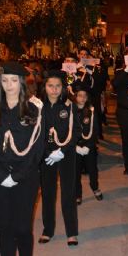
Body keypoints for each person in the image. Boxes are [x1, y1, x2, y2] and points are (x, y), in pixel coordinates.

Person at [0, 62, 45, 256]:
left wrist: (16, 175)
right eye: (5, 81)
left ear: (22, 82)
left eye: (14, 81)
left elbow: (37, 149)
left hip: (25, 177)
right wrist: (1, 175)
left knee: (23, 228)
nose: (9, 85)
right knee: (5, 228)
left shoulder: (34, 109)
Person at [38, 70, 81, 246]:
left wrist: (62, 150)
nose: (54, 90)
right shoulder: (37, 106)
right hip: (46, 155)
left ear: (62, 88)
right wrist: (47, 153)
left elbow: (76, 131)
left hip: (66, 153)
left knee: (68, 194)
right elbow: (34, 133)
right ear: (45, 87)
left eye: (57, 86)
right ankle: (48, 230)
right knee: (47, 193)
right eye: (50, 86)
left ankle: (71, 232)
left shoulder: (69, 106)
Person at [72, 85, 103, 205]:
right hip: (75, 147)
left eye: (85, 96)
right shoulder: (70, 110)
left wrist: (89, 146)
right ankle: (77, 194)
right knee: (75, 172)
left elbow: (95, 130)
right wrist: (75, 147)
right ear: (75, 96)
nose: (82, 98)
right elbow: (66, 131)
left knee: (92, 170)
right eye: (80, 95)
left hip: (88, 146)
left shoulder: (91, 111)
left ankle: (95, 188)